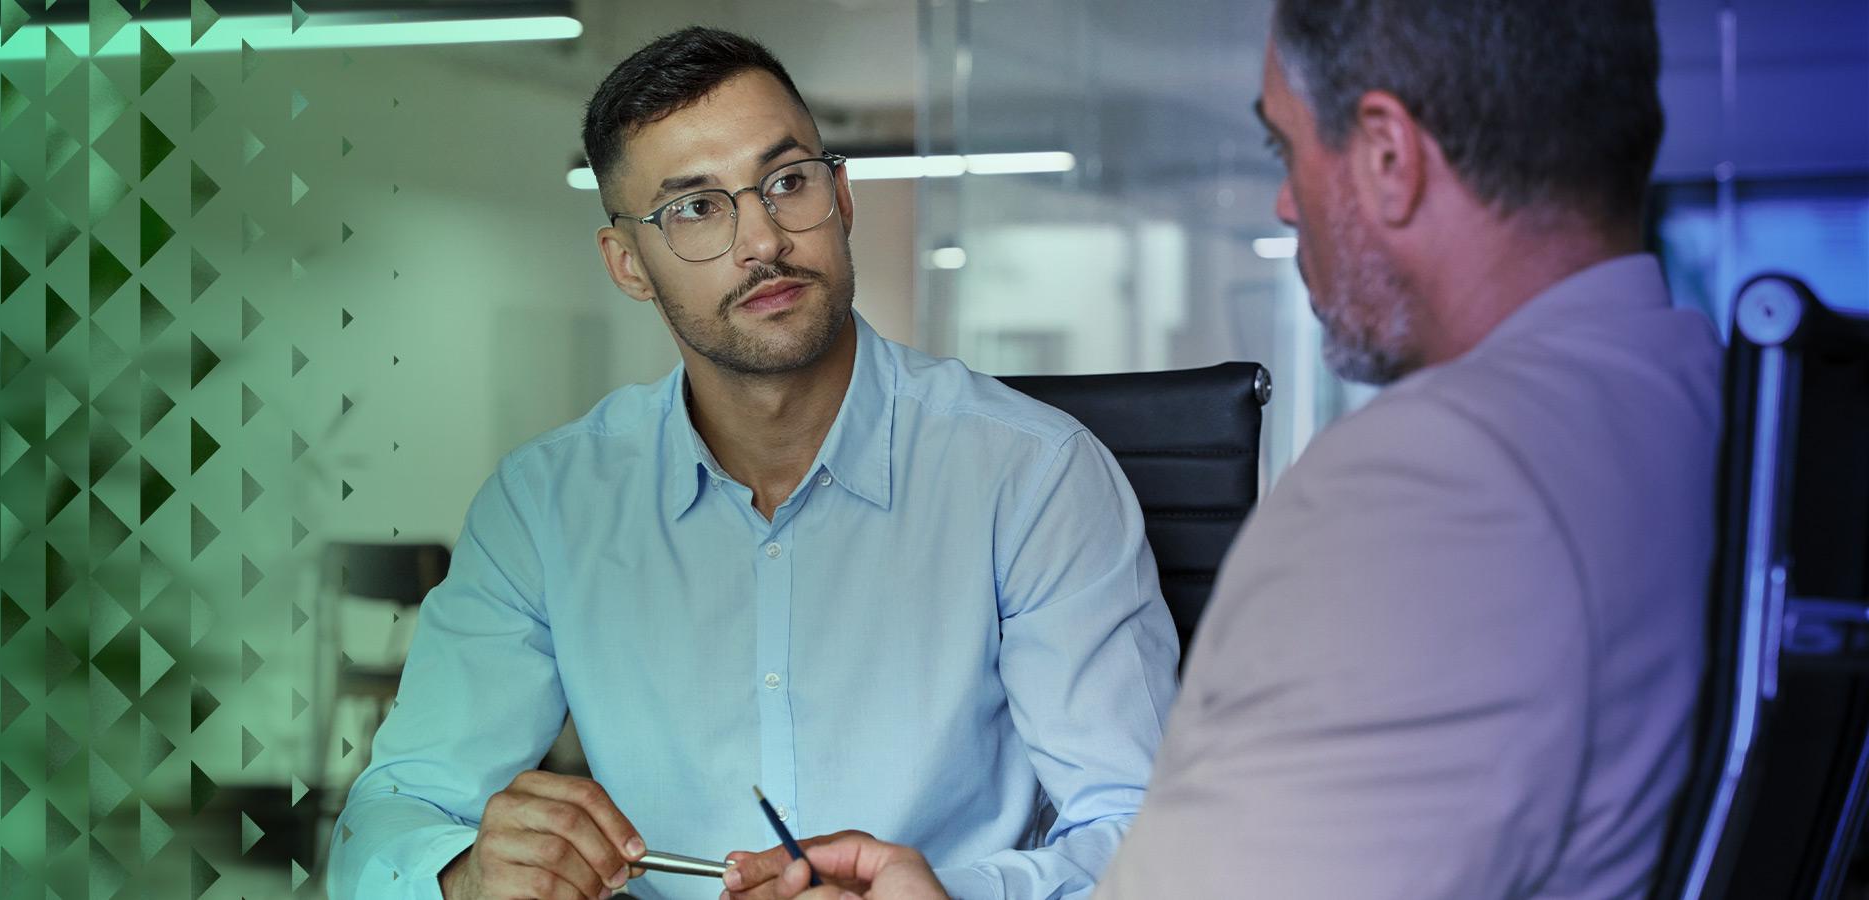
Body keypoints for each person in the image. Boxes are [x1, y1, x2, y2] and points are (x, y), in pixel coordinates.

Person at [723, 1, 1720, 898]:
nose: (1286, 205)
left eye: (1286, 151)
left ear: (1386, 155)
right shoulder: (1703, 410)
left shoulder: (1423, 492)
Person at [328, 27, 1180, 900]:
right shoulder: (546, 506)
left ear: (841, 196)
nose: (761, 240)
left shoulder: (1034, 477)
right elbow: (386, 816)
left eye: (786, 182)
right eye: (694, 208)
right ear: (628, 264)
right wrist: (462, 875)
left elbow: (1154, 837)